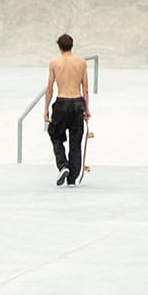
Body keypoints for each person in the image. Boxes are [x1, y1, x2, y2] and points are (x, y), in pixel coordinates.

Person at [42, 33, 91, 186]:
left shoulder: (55, 63)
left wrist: (46, 109)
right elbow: (86, 88)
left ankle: (63, 165)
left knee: (55, 135)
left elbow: (50, 88)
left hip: (62, 102)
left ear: (59, 46)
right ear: (72, 46)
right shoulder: (81, 63)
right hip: (77, 103)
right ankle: (72, 178)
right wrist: (87, 109)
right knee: (75, 142)